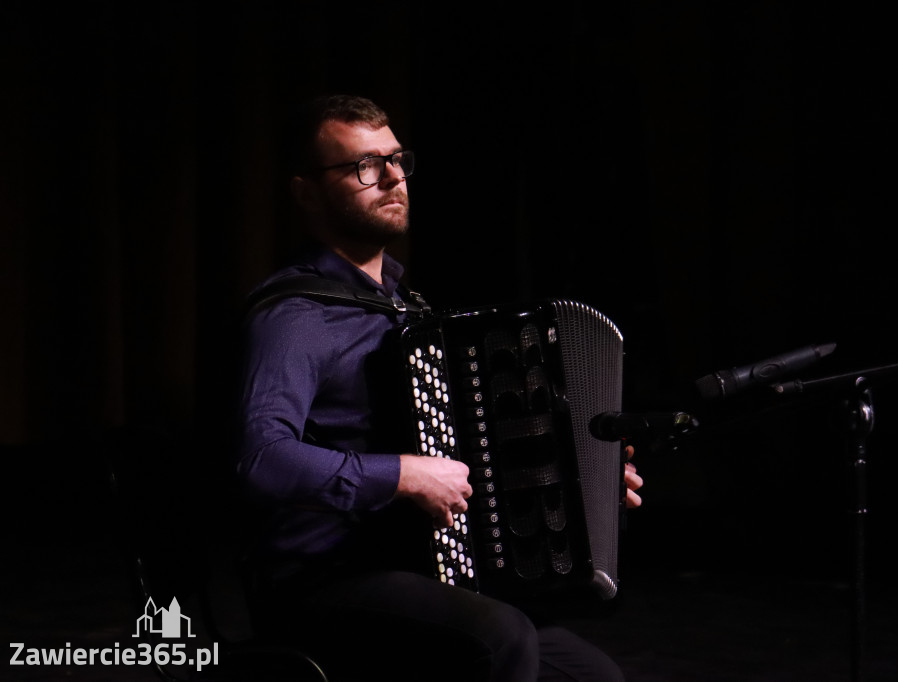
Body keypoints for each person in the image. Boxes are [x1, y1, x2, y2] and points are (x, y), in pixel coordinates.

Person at [234, 93, 644, 681]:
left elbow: (475, 455)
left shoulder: (404, 309)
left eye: (396, 160)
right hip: (321, 581)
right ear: (305, 191)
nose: (393, 178)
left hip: (415, 567)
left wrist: (588, 482)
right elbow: (260, 460)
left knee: (591, 675)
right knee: (500, 639)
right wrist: (404, 474)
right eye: (363, 166)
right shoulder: (295, 317)